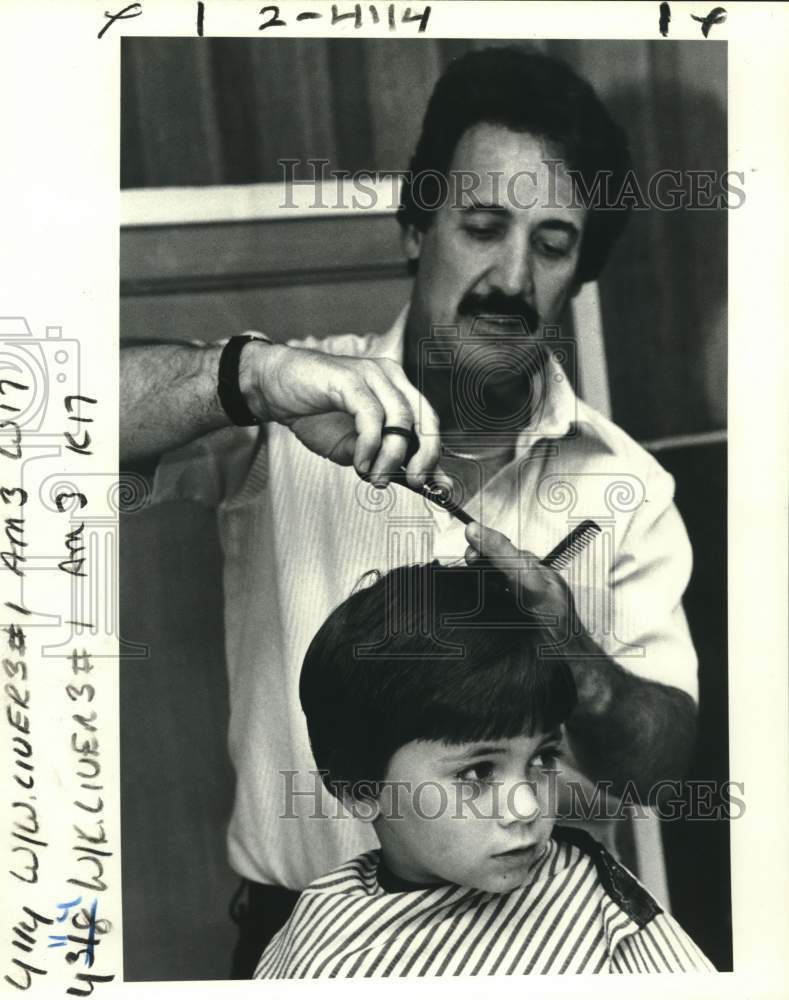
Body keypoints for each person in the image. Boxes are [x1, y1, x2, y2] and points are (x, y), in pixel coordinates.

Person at [121, 47, 699, 976]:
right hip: (306, 942)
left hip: (547, 943)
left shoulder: (625, 485)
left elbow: (659, 774)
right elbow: (44, 417)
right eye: (480, 225)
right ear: (414, 224)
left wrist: (570, 653)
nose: (511, 277)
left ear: (577, 275)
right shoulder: (290, 408)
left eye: (550, 245)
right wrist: (251, 377)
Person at [254, 561, 713, 978]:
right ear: (360, 787)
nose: (528, 807)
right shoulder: (323, 948)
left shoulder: (591, 899)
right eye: (477, 774)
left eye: (543, 759)